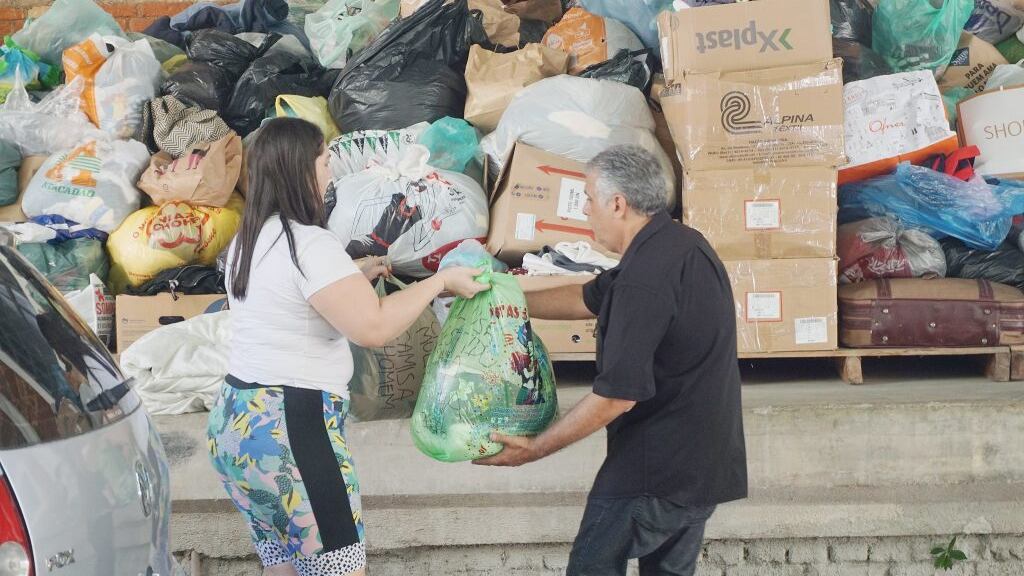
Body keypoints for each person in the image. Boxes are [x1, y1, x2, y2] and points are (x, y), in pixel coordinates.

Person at [206, 118, 488, 576]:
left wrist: (352, 276)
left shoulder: (249, 239)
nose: (331, 170)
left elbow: (289, 300)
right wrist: (440, 281)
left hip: (235, 426)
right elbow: (372, 328)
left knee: (287, 569)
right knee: (339, 568)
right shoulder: (311, 244)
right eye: (323, 160)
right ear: (300, 170)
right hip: (291, 430)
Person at [476, 145, 748, 576]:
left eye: (587, 199)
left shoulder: (645, 278)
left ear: (617, 204)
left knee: (591, 568)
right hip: (705, 467)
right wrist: (503, 299)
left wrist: (535, 448)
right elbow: (587, 297)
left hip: (656, 471)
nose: (584, 211)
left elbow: (616, 396)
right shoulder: (680, 244)